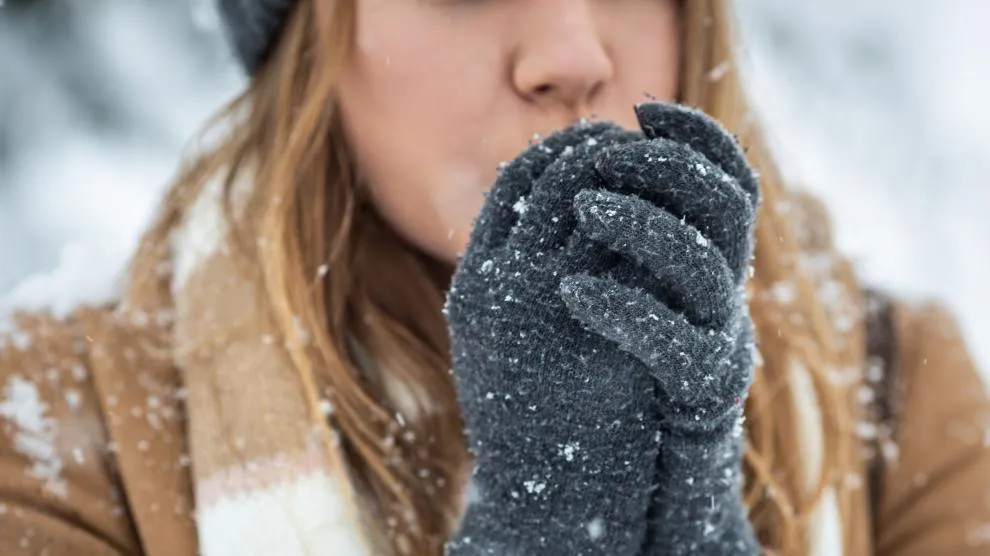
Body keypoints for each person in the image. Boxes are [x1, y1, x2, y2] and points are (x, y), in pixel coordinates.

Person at [1, 0, 988, 554]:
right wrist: (547, 532)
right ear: (307, 39)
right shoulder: (62, 429)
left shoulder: (901, 403)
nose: (572, 52)